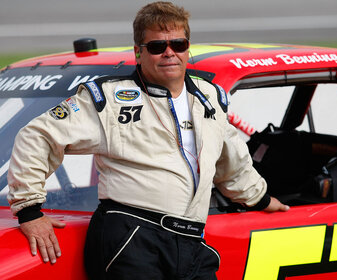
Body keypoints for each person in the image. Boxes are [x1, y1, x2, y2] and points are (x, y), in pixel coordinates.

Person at [7, 1, 289, 279]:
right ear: (138, 52)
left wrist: (260, 199)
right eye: (157, 47)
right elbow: (37, 136)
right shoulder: (108, 98)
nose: (169, 53)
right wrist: (29, 211)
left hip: (191, 240)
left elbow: (232, 163)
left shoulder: (209, 98)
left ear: (187, 49)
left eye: (178, 44)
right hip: (131, 237)